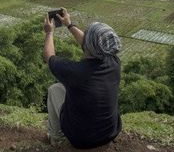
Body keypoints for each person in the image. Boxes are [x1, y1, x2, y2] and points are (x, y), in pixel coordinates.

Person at [43, 8, 122, 149]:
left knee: (55, 89)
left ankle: (57, 138)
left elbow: (49, 56)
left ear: (88, 45)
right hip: (110, 133)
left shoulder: (75, 72)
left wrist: (49, 33)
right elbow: (91, 44)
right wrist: (69, 24)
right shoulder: (114, 63)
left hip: (80, 139)